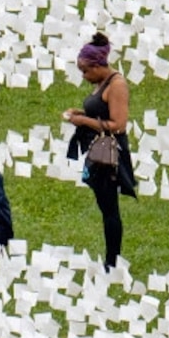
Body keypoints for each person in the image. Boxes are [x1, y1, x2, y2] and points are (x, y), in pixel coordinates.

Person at [62, 34, 134, 270]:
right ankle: (111, 260)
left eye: (85, 71)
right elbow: (100, 112)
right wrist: (81, 113)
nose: (84, 76)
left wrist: (83, 120)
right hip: (98, 151)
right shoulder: (102, 83)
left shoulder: (117, 85)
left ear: (97, 65)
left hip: (110, 155)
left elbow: (118, 124)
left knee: (110, 209)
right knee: (105, 206)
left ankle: (112, 262)